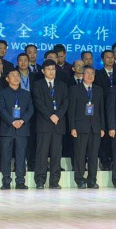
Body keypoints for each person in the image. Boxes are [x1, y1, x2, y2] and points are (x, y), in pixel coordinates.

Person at [32, 60, 69, 189]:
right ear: (43, 71)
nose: (51, 71)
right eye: (48, 69)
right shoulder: (37, 85)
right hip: (44, 124)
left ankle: (54, 181)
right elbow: (38, 103)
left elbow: (65, 103)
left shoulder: (62, 85)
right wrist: (50, 115)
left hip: (58, 124)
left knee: (56, 155)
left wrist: (57, 115)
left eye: (53, 69)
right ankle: (40, 181)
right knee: (41, 154)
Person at [67, 66, 104, 189]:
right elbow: (71, 110)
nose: (90, 76)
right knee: (80, 155)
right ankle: (80, 179)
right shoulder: (74, 89)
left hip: (95, 127)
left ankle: (92, 180)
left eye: (92, 73)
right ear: (82, 75)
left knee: (94, 155)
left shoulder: (98, 90)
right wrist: (72, 127)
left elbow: (101, 110)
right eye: (87, 73)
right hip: (80, 127)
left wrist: (102, 127)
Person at [0, 69, 33, 190]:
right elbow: (1, 109)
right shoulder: (2, 93)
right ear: (7, 79)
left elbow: (30, 109)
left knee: (21, 156)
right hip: (7, 129)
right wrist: (12, 121)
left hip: (22, 129)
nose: (16, 78)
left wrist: (22, 121)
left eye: (18, 75)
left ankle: (20, 181)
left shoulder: (26, 93)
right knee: (6, 156)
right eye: (13, 76)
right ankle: (6, 181)